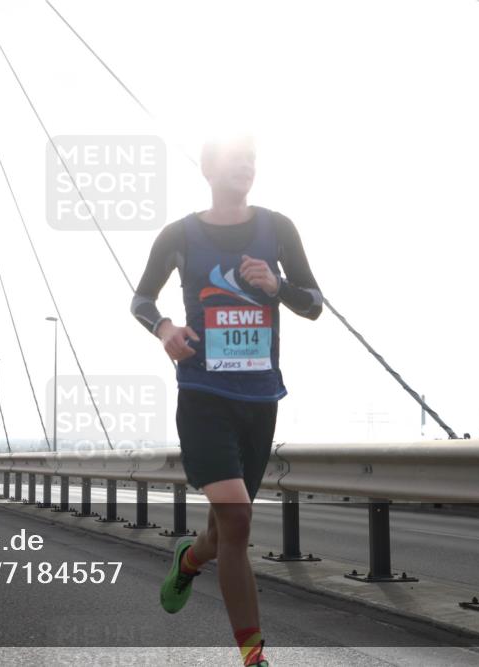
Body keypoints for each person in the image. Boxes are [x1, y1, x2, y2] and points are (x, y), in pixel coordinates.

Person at [130, 133, 322, 667]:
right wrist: (164, 326)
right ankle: (253, 656)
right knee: (237, 520)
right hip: (203, 394)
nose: (246, 166)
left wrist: (277, 286)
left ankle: (188, 561)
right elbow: (141, 298)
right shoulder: (180, 234)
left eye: (252, 160)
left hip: (260, 399)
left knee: (222, 530)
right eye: (236, 159)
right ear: (208, 168)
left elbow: (314, 303)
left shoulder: (277, 229)